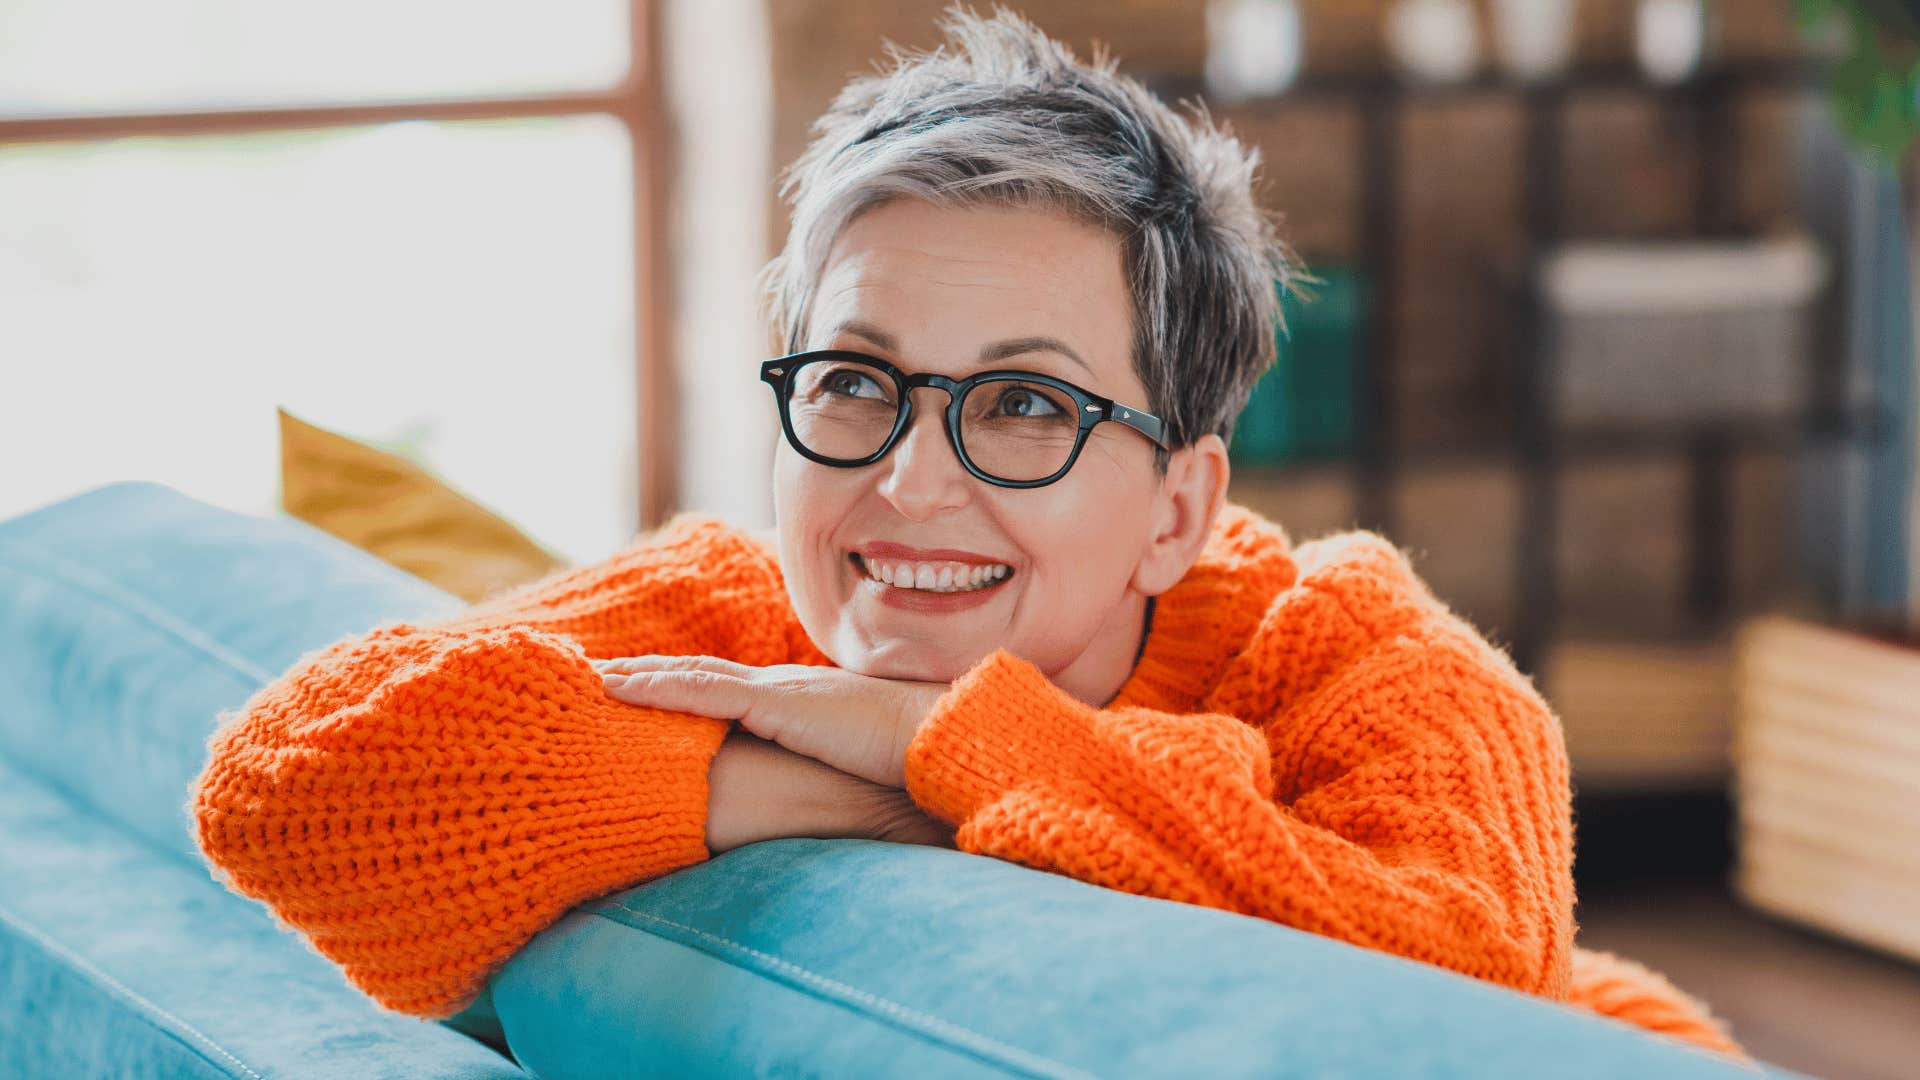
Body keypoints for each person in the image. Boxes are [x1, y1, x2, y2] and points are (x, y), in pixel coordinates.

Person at [188, 5, 1747, 1062]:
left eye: (1023, 409)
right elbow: (282, 785)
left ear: (1179, 509)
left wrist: (937, 745)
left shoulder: (1367, 661)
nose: (912, 485)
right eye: (859, 382)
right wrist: (812, 786)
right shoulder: (740, 613)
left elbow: (1465, 1008)